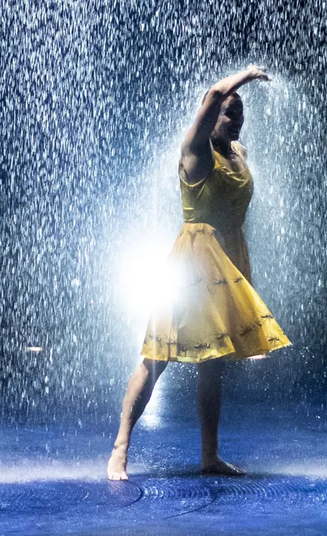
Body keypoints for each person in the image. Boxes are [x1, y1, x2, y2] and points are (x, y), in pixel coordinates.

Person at [107, 65, 291, 481]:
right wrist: (244, 75)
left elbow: (233, 216)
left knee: (213, 363)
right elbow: (211, 95)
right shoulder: (195, 148)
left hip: (226, 261)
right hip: (191, 265)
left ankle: (210, 455)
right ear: (212, 115)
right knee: (157, 358)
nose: (236, 118)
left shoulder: (238, 154)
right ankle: (120, 449)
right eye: (229, 111)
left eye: (240, 112)